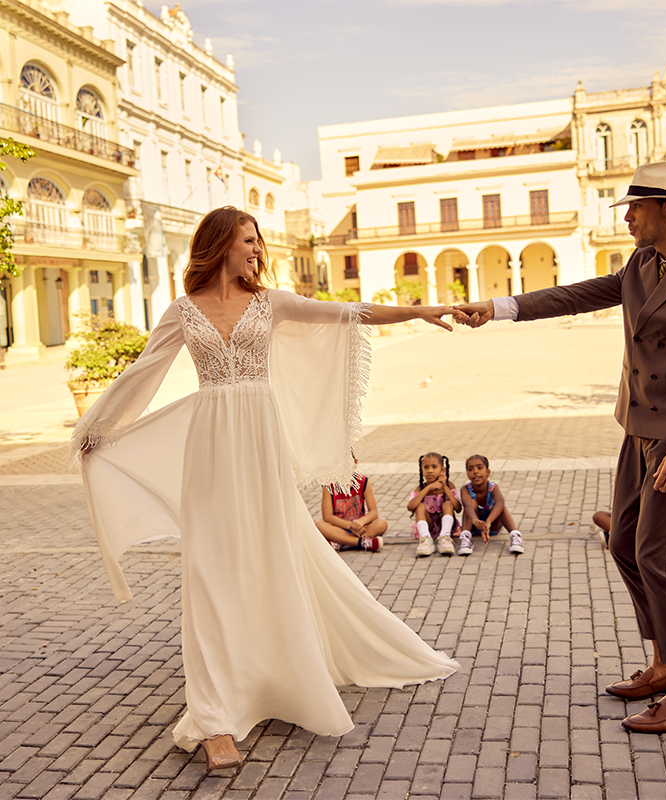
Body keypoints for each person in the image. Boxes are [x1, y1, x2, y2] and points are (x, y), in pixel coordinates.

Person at [69, 206, 459, 770]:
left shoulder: (271, 303)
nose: (256, 249)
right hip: (210, 445)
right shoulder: (182, 312)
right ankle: (214, 715)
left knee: (269, 556)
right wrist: (96, 427)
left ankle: (276, 674)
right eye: (247, 240)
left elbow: (348, 312)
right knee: (209, 566)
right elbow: (141, 374)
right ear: (219, 244)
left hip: (259, 439)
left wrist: (421, 309)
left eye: (258, 241)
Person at [455, 162, 666, 734]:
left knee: (659, 561)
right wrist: (499, 308)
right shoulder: (641, 264)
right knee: (622, 541)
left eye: (635, 208)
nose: (628, 217)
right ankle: (665, 662)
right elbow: (578, 295)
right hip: (637, 429)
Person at [315, 457, 388, 552]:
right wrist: (350, 526)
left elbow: (373, 512)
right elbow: (327, 517)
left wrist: (361, 522)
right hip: (339, 528)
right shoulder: (328, 485)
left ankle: (340, 541)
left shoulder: (363, 481)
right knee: (318, 525)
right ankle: (363, 542)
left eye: (347, 463)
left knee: (381, 524)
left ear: (355, 463)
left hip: (361, 528)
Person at [458, 454, 524, 555]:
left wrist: (488, 522)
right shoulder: (465, 489)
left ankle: (515, 536)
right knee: (470, 504)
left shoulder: (493, 487)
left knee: (500, 506)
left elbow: (500, 503)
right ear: (467, 474)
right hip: (474, 527)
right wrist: (475, 520)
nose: (475, 471)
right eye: (471, 469)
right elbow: (467, 505)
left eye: (479, 468)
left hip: (492, 526)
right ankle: (466, 538)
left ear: (488, 472)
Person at [407, 452, 461, 557]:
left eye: (434, 467)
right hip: (429, 524)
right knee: (419, 506)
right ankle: (426, 539)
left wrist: (444, 487)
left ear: (442, 470)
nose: (430, 470)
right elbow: (410, 507)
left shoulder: (449, 485)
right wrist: (428, 488)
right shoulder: (421, 488)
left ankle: (444, 537)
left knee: (448, 504)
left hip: (444, 523)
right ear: (421, 470)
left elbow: (458, 508)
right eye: (426, 467)